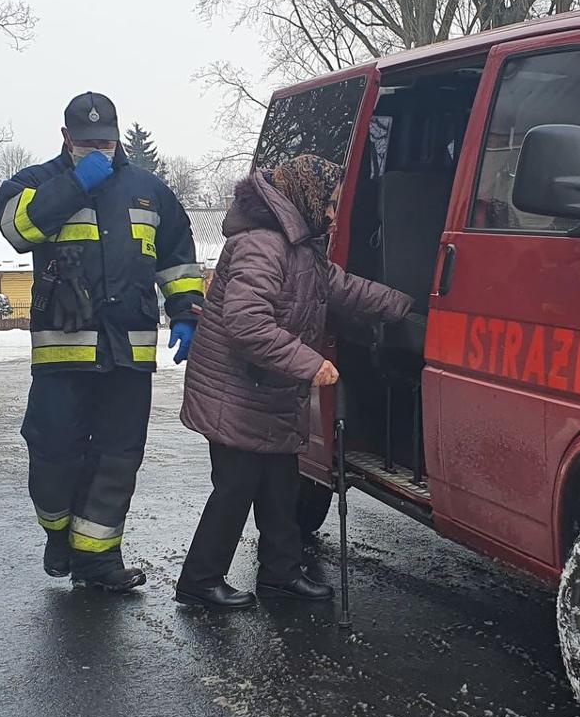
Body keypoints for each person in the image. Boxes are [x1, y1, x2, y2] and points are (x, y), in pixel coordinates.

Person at [175, 155, 414, 609]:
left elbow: (341, 287)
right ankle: (199, 580)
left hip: (266, 392)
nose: (332, 212)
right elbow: (247, 324)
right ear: (307, 196)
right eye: (329, 202)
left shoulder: (300, 244)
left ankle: (280, 575)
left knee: (280, 487)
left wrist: (407, 305)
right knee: (236, 489)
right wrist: (310, 363)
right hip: (237, 392)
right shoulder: (262, 245)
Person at [0, 91, 205, 592]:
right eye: (87, 143)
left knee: (117, 460)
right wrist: (72, 186)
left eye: (105, 141)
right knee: (53, 454)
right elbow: (15, 229)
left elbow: (177, 255)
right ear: (66, 138)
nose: (98, 149)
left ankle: (98, 562)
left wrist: (184, 312)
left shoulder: (149, 191)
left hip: (128, 355)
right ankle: (57, 531)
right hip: (62, 356)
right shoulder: (36, 183)